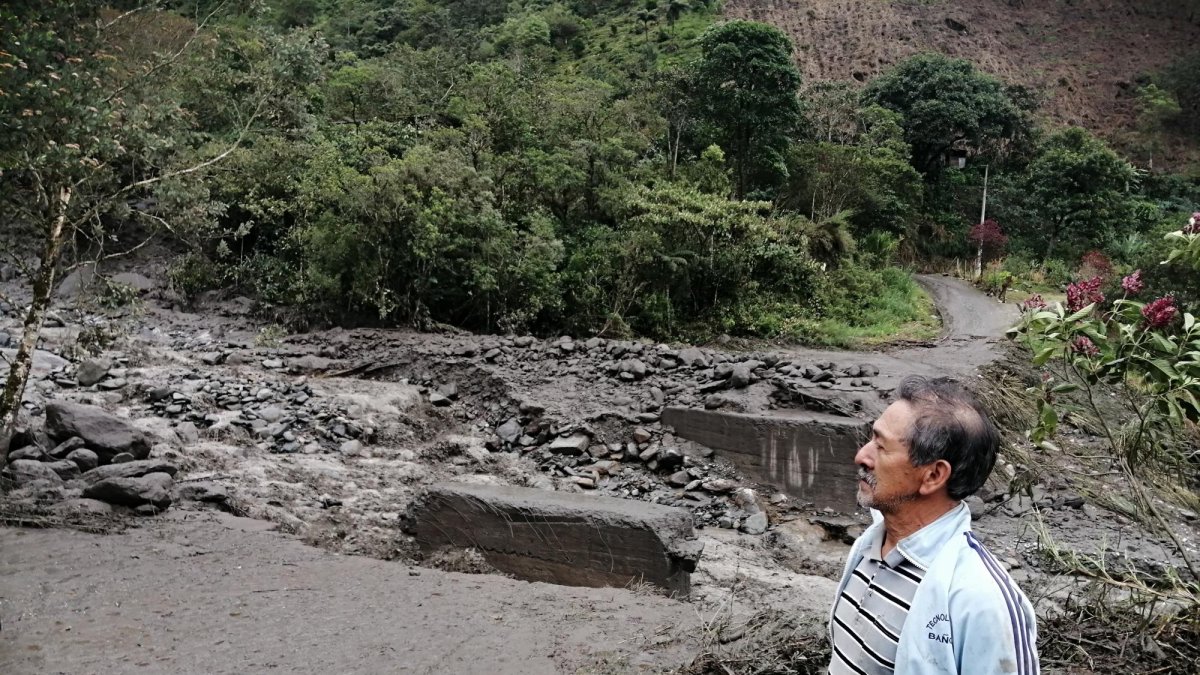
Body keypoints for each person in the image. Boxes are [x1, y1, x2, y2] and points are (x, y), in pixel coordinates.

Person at [828, 376, 1039, 675]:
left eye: (881, 447)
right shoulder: (869, 546)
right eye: (870, 439)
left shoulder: (980, 600)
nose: (861, 456)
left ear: (933, 476)